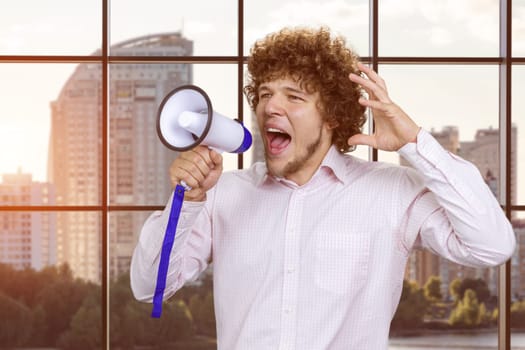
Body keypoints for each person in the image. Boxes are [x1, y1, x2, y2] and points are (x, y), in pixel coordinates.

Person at [130, 27, 516, 349]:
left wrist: (415, 143)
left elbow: (493, 245)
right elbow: (149, 287)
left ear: (331, 115)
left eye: (293, 96)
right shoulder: (221, 195)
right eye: (265, 94)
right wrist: (190, 202)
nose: (270, 108)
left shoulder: (392, 192)